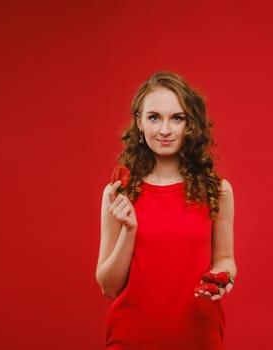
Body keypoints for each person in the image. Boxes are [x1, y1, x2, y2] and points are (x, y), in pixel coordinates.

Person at [96, 71, 237, 349]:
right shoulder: (118, 193)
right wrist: (129, 230)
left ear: (190, 124)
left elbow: (225, 259)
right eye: (154, 117)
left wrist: (222, 279)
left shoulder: (217, 191)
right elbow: (108, 286)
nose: (164, 130)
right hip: (131, 339)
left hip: (199, 338)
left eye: (177, 118)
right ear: (139, 121)